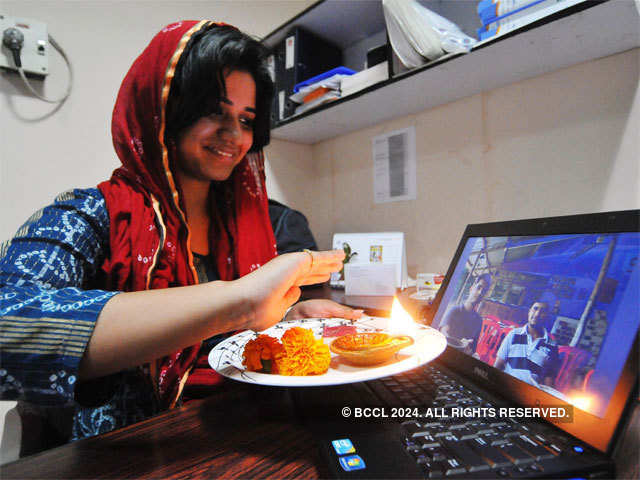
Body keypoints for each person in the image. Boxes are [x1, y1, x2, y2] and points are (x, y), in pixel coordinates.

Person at [0, 21, 361, 452]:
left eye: (246, 120)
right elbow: (8, 321)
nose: (233, 136)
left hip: (250, 440)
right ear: (162, 109)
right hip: (133, 455)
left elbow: (235, 347)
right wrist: (239, 301)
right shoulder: (94, 215)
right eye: (213, 111)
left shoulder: (259, 224)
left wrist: (287, 319)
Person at [494, 301, 560, 388]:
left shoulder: (552, 346)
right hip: (505, 385)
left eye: (542, 311)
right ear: (529, 311)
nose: (537, 314)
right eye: (535, 309)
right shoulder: (514, 334)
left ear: (547, 316)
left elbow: (549, 378)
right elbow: (499, 363)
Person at [438, 273, 491, 355]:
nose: (480, 293)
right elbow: (442, 333)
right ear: (471, 289)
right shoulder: (455, 310)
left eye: (484, 291)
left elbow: (473, 349)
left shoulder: (479, 321)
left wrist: (469, 351)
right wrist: (461, 344)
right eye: (479, 287)